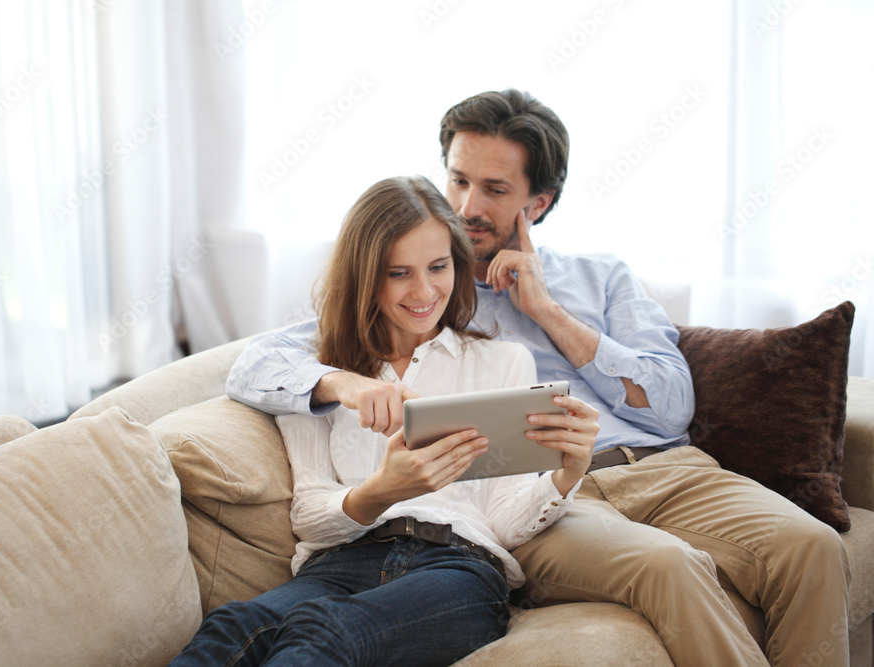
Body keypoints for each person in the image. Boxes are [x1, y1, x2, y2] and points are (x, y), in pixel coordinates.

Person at [225, 90, 850, 666]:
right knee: (671, 566)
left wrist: (546, 311)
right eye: (459, 180)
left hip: (663, 466)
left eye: (494, 188)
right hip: (548, 495)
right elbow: (260, 362)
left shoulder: (598, 278)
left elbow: (671, 408)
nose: (468, 207)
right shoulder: (421, 282)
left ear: (538, 203)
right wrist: (348, 385)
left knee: (813, 548)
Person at [171, 175, 600, 666]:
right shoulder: (315, 378)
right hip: (339, 563)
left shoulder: (504, 363)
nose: (424, 291)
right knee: (232, 628)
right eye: (399, 273)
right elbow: (310, 518)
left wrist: (567, 474)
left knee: (324, 633)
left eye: (438, 267)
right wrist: (380, 489)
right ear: (365, 276)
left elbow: (502, 520)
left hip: (456, 567)